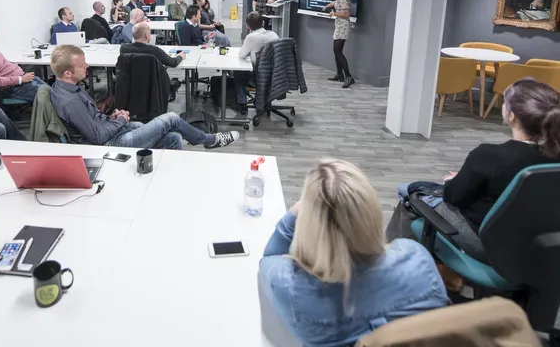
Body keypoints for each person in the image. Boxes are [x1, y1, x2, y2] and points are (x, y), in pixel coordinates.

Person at [260, 159, 448, 347]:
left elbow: (269, 259)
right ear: (371, 211)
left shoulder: (294, 288)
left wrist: (294, 214)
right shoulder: (418, 260)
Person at [390, 78, 560, 263]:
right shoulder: (551, 157)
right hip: (540, 247)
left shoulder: (490, 156)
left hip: (491, 247)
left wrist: (455, 181)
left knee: (413, 196)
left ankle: (394, 266)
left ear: (511, 116)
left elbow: (453, 197)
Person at [49, 45, 239, 149]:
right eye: (82, 65)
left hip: (108, 131)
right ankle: (209, 140)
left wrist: (113, 117)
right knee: (170, 119)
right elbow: (98, 138)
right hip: (108, 144)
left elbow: (93, 120)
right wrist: (121, 120)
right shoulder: (70, 101)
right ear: (67, 73)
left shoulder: (68, 87)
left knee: (173, 137)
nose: (87, 66)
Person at [233, 11, 279, 112]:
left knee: (237, 72)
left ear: (248, 26)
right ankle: (265, 101)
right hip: (276, 75)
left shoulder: (251, 37)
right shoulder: (274, 35)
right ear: (263, 23)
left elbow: (241, 55)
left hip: (257, 76)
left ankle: (242, 103)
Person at [323, 0, 354, 88]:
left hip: (343, 28)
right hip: (338, 27)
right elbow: (336, 3)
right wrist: (328, 6)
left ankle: (348, 77)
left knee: (338, 52)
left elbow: (346, 14)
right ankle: (339, 74)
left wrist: (333, 13)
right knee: (336, 51)